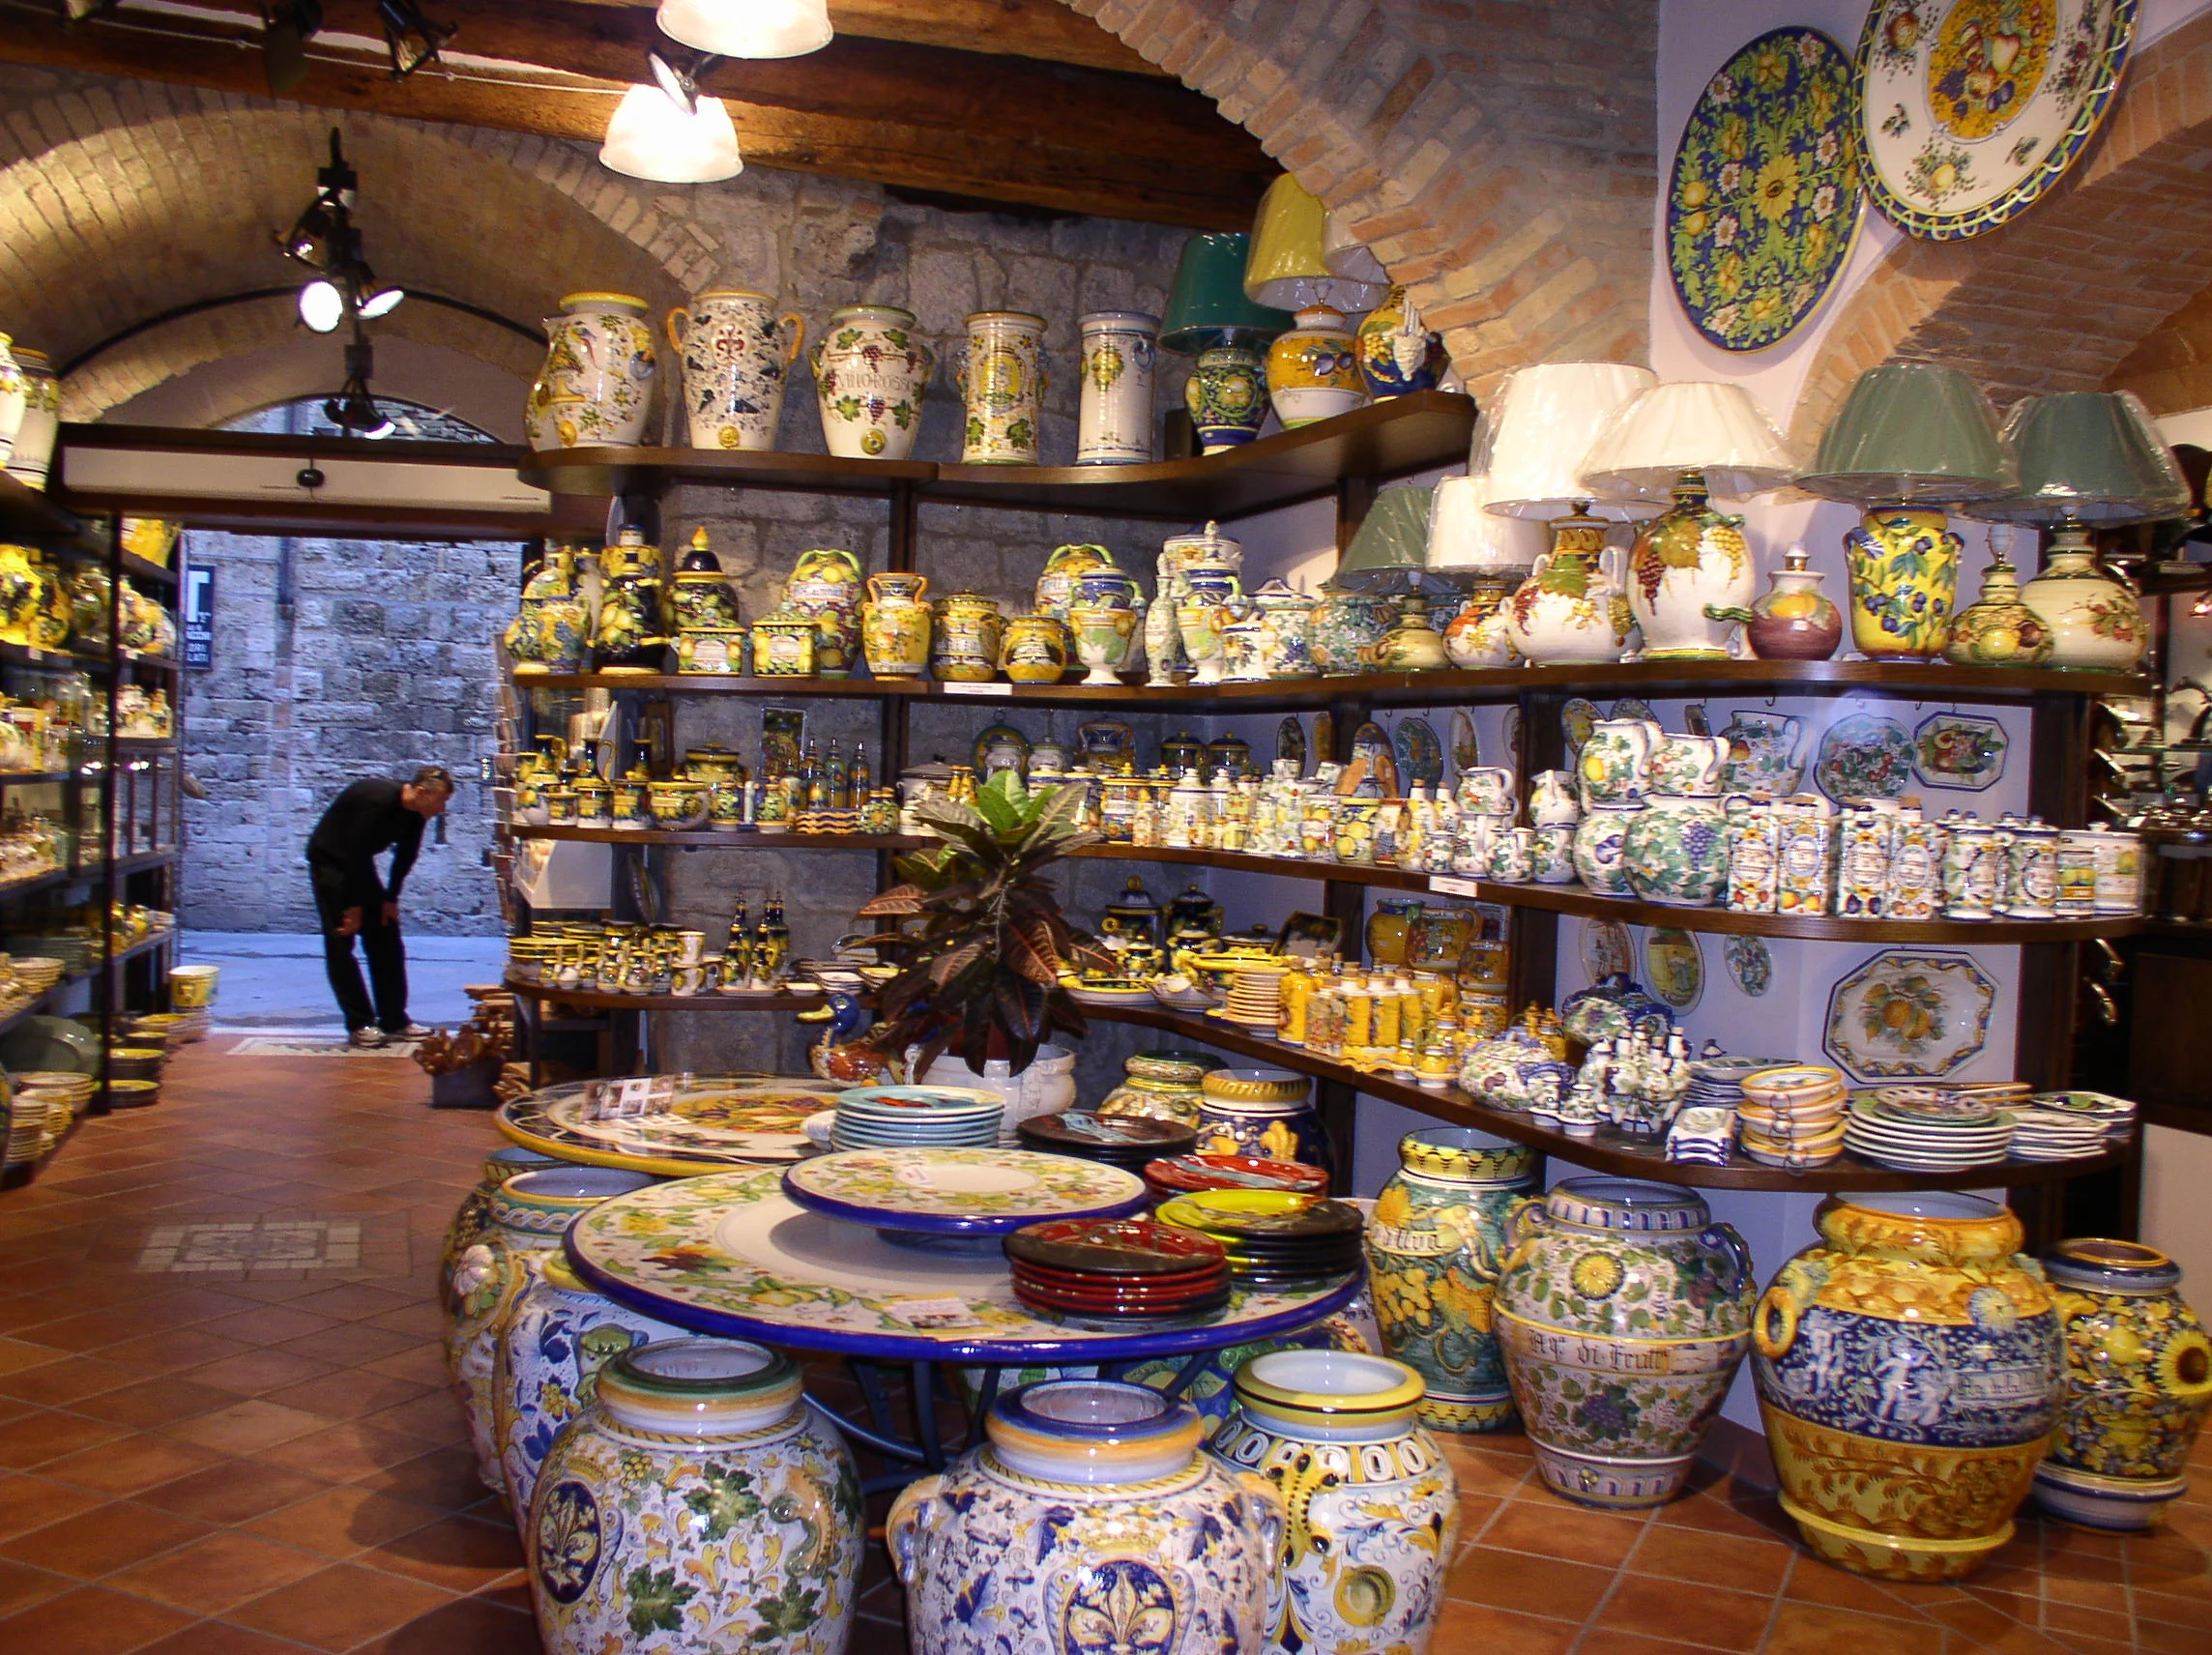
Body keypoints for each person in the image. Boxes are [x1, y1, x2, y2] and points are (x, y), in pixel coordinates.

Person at [306, 765, 454, 1046]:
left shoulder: (415, 814)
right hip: (332, 863)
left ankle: (394, 1019)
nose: (441, 808)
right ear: (421, 792)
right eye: (441, 800)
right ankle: (359, 1022)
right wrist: (353, 907)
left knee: (387, 937)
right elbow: (352, 849)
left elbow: (406, 855)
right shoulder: (377, 800)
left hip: (359, 864)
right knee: (342, 940)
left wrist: (390, 899)